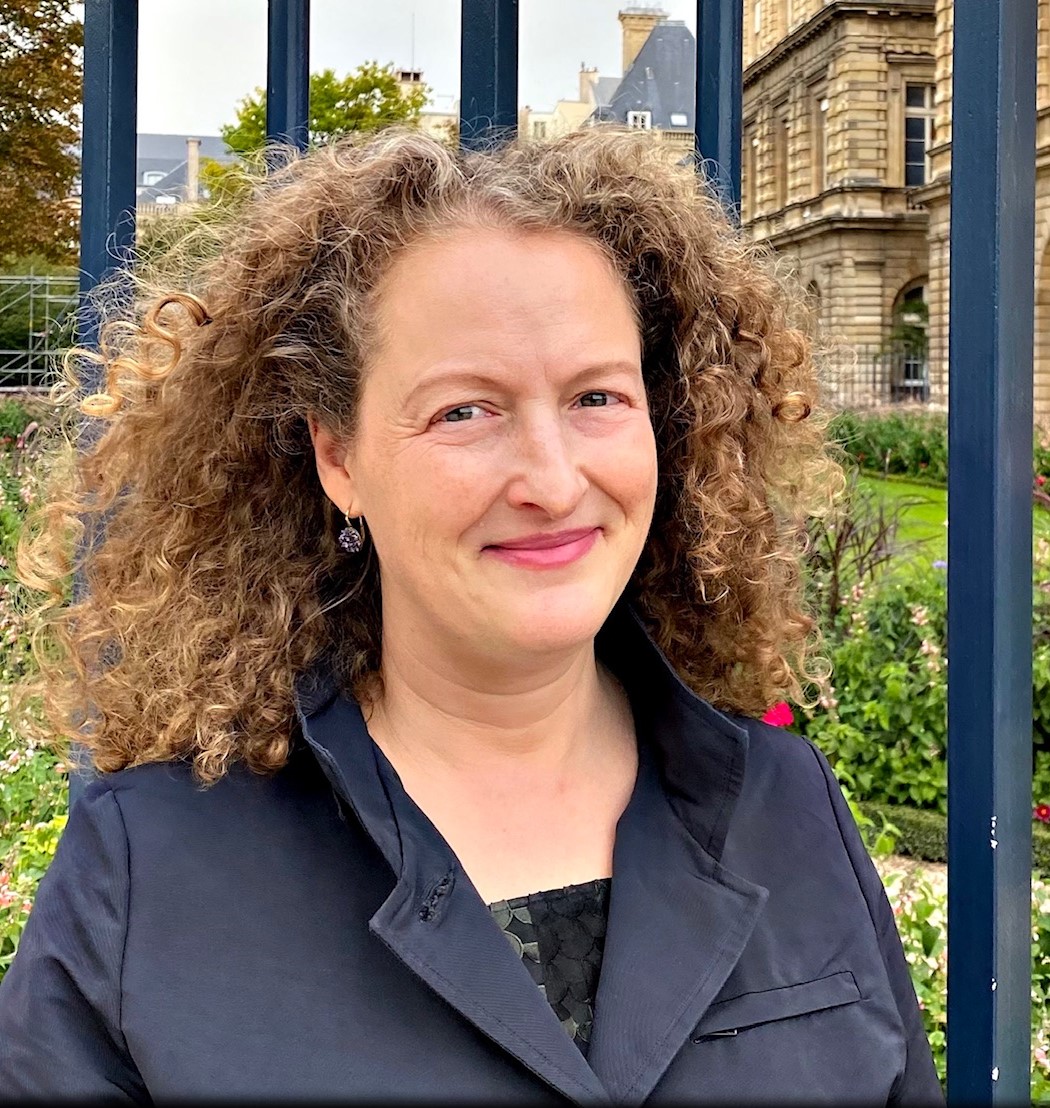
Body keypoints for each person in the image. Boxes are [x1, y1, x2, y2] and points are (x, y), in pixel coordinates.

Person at [0, 127, 942, 1104]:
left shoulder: (785, 805)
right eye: (465, 410)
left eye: (596, 397)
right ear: (339, 456)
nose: (551, 477)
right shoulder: (151, 870)